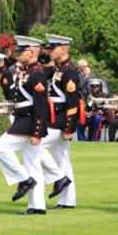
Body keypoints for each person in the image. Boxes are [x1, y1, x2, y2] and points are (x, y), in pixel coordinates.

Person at [0, 35, 52, 215]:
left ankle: (24, 179)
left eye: (21, 50)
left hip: (28, 122)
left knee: (0, 147)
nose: (17, 54)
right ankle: (37, 206)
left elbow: (41, 106)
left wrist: (37, 131)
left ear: (32, 52)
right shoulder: (26, 73)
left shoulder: (36, 75)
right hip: (24, 120)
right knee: (33, 164)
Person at [37, 34, 79, 209]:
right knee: (62, 159)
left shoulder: (68, 71)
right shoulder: (58, 70)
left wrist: (69, 127)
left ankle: (57, 178)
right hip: (57, 119)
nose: (49, 51)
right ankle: (67, 201)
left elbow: (73, 103)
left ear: (64, 49)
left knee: (35, 146)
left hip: (60, 121)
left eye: (53, 48)